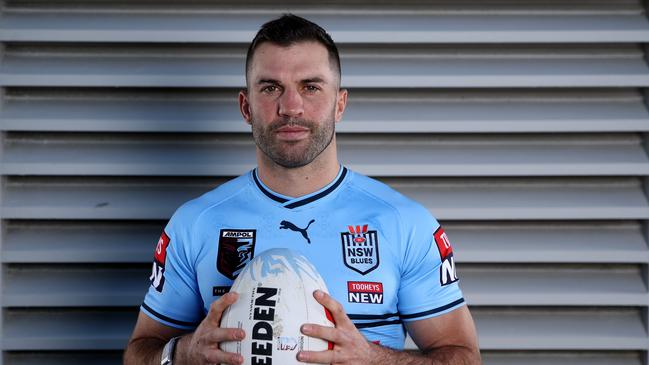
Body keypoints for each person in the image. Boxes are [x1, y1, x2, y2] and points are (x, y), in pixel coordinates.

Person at [124, 14, 481, 365]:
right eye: (270, 88)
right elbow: (140, 352)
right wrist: (182, 353)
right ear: (246, 107)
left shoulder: (405, 223)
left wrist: (372, 359)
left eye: (310, 86)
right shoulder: (195, 223)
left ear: (339, 104)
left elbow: (463, 357)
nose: (290, 107)